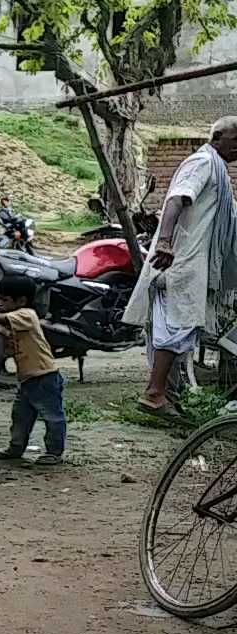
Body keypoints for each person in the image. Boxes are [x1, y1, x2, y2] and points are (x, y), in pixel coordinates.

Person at [125, 116, 237, 419]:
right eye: (235, 139)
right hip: (179, 260)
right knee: (176, 328)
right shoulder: (203, 162)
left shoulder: (219, 170)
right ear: (217, 138)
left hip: (190, 261)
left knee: (180, 331)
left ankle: (167, 395)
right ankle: (154, 393)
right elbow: (177, 198)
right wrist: (164, 242)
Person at [0, 276, 65, 465]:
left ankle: (54, 452)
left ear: (21, 301)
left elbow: (2, 318)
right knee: (20, 417)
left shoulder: (27, 315)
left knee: (52, 417)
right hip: (27, 379)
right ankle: (16, 448)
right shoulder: (8, 323)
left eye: (5, 300)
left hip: (44, 377)